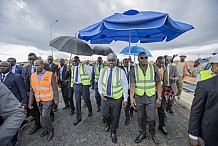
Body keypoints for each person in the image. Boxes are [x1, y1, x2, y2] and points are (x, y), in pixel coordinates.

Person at [130, 52, 162, 144]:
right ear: (138, 59)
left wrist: (159, 98)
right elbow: (132, 84)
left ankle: (152, 133)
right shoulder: (134, 69)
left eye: (146, 57)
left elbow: (158, 83)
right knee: (140, 117)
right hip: (139, 97)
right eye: (141, 58)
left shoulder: (153, 67)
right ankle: (142, 133)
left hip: (151, 97)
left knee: (151, 118)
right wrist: (131, 98)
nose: (144, 59)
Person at [188, 54, 218, 146]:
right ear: (212, 64)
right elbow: (196, 110)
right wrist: (193, 135)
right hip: (210, 122)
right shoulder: (202, 76)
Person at [98, 53, 128, 143]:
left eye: (112, 60)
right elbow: (99, 82)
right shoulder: (103, 71)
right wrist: (100, 92)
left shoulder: (121, 72)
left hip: (116, 99)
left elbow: (125, 86)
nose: (111, 62)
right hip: (105, 98)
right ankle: (108, 123)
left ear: (116, 61)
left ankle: (113, 131)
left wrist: (125, 99)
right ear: (106, 61)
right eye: (109, 60)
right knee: (104, 114)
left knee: (116, 116)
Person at [28, 59, 59, 141]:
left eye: (38, 65)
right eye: (35, 65)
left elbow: (55, 88)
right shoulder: (33, 76)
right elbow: (32, 90)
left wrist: (56, 99)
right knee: (43, 116)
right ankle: (47, 129)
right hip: (38, 100)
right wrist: (30, 102)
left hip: (48, 99)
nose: (36, 67)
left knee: (45, 115)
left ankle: (51, 130)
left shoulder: (50, 74)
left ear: (43, 65)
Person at [0, 61, 29, 145]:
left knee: (10, 123)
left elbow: (22, 90)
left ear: (10, 67)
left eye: (4, 66)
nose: (1, 68)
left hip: (14, 103)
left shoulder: (16, 77)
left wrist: (24, 102)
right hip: (2, 107)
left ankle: (14, 141)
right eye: (0, 66)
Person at [70, 56, 92, 126]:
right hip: (76, 85)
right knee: (77, 101)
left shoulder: (84, 66)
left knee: (86, 99)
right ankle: (78, 117)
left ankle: (90, 109)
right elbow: (72, 77)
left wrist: (88, 83)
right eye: (74, 61)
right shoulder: (72, 67)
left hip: (83, 85)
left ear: (79, 61)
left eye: (76, 61)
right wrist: (72, 85)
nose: (75, 62)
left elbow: (90, 74)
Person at [155, 56, 168, 135]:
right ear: (157, 61)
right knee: (150, 108)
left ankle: (161, 125)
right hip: (152, 91)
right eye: (160, 63)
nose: (161, 64)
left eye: (163, 63)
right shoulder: (152, 68)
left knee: (161, 109)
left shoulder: (164, 69)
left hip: (160, 91)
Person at [120, 58, 134, 125]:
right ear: (123, 63)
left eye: (127, 62)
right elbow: (120, 78)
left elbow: (136, 66)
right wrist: (126, 75)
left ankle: (131, 112)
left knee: (131, 102)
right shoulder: (121, 70)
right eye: (125, 62)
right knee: (125, 104)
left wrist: (131, 61)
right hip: (124, 89)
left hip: (131, 88)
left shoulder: (131, 68)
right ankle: (127, 117)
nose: (126, 63)